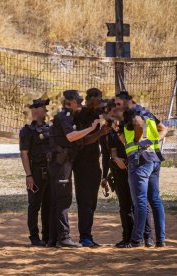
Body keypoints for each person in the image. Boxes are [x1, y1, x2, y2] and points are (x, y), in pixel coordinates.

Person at [115, 91, 168, 248]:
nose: (117, 107)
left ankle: (136, 239)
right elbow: (164, 129)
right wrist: (151, 141)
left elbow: (138, 125)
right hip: (154, 159)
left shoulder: (132, 113)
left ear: (129, 101)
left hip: (140, 161)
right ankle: (160, 239)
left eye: (119, 103)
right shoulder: (148, 112)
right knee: (155, 200)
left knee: (140, 201)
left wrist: (139, 141)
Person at [48, 90, 100, 248]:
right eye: (78, 100)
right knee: (63, 199)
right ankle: (64, 237)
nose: (81, 103)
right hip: (61, 161)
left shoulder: (67, 115)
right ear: (70, 102)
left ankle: (53, 238)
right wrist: (92, 128)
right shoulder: (65, 115)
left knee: (58, 199)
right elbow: (71, 137)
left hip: (62, 161)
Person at [100, 100, 154, 248]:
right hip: (119, 170)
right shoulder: (107, 131)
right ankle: (127, 237)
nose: (108, 115)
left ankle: (147, 236)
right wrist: (113, 162)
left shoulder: (128, 124)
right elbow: (109, 152)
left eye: (110, 111)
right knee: (125, 206)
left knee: (140, 203)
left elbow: (135, 141)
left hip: (135, 166)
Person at [72, 88, 111, 247]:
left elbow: (111, 105)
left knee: (92, 203)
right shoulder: (79, 115)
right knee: (84, 203)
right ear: (89, 99)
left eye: (100, 100)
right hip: (81, 165)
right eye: (96, 100)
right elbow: (84, 141)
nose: (98, 104)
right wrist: (100, 133)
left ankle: (87, 234)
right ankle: (85, 236)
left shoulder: (97, 113)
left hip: (94, 164)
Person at [19, 98, 51, 246]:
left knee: (48, 205)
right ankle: (34, 236)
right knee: (34, 205)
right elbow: (24, 153)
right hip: (36, 173)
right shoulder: (27, 131)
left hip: (51, 172)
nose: (46, 110)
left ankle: (47, 235)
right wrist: (29, 175)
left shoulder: (50, 128)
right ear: (36, 111)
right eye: (44, 108)